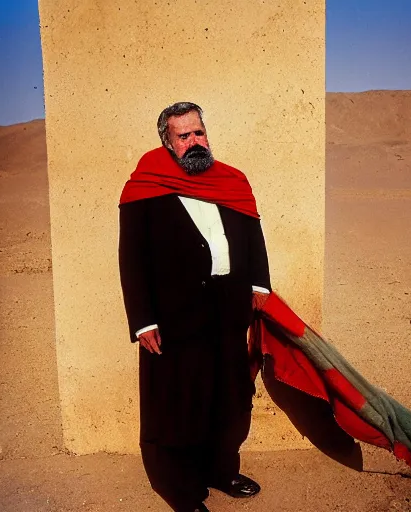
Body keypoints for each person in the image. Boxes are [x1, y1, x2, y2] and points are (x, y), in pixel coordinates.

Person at [118, 102, 271, 512]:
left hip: (226, 313)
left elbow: (253, 236)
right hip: (174, 319)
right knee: (179, 406)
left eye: (198, 132)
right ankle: (182, 491)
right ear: (167, 142)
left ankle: (222, 470)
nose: (194, 141)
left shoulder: (231, 182)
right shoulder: (144, 186)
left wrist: (259, 285)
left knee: (230, 399)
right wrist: (143, 320)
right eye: (183, 136)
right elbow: (131, 258)